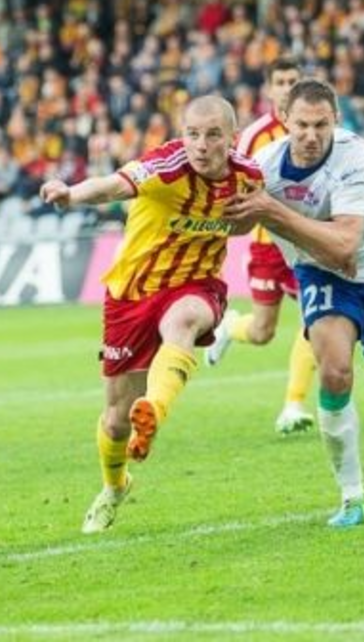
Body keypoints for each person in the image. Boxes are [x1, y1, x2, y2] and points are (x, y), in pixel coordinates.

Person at [40, 96, 262, 534]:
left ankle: (154, 411)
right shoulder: (165, 167)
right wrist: (71, 193)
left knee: (183, 322)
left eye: (212, 135)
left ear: (232, 138)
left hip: (196, 284)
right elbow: (112, 186)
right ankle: (115, 487)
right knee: (115, 420)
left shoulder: (249, 177)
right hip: (132, 293)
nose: (201, 145)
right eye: (192, 134)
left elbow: (244, 224)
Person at [224, 80, 364, 528]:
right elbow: (237, 225)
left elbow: (345, 245)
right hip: (321, 275)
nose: (311, 135)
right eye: (301, 126)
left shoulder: (355, 156)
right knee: (334, 371)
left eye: (321, 125)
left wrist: (271, 211)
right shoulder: (264, 167)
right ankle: (352, 498)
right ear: (285, 122)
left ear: (336, 120)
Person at [206, 59, 321, 436]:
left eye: (293, 81)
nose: (287, 88)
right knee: (262, 331)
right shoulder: (255, 135)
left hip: (305, 241)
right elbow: (233, 183)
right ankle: (230, 327)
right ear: (269, 89)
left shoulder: (315, 131)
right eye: (281, 82)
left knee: (315, 320)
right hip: (267, 246)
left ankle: (293, 405)